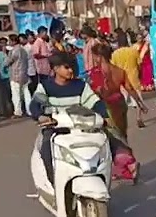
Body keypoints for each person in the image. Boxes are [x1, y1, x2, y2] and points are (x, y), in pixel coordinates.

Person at [29, 52, 107, 187]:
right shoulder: (46, 87)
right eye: (66, 67)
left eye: (72, 67)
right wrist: (40, 116)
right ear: (55, 69)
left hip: (81, 127)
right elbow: (34, 105)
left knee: (107, 141)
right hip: (55, 128)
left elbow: (95, 103)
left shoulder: (80, 86)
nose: (70, 70)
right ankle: (54, 181)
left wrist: (104, 116)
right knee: (46, 148)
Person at [88, 41, 149, 183]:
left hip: (106, 107)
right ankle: (123, 166)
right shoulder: (119, 71)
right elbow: (130, 88)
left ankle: (129, 164)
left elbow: (97, 92)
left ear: (100, 57)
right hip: (120, 104)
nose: (94, 60)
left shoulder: (96, 73)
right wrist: (140, 104)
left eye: (95, 56)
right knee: (122, 135)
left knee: (112, 138)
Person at [110, 30, 147, 128]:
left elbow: (113, 67)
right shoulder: (133, 51)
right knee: (138, 99)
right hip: (133, 78)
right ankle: (139, 118)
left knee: (123, 102)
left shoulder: (115, 54)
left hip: (121, 81)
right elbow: (139, 64)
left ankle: (122, 120)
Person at [4, 34, 31, 118]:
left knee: (16, 95)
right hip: (24, 74)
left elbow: (7, 62)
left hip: (15, 75)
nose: (9, 42)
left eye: (9, 41)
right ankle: (30, 110)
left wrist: (5, 53)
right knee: (26, 94)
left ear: (14, 41)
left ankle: (18, 112)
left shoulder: (14, 51)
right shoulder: (23, 50)